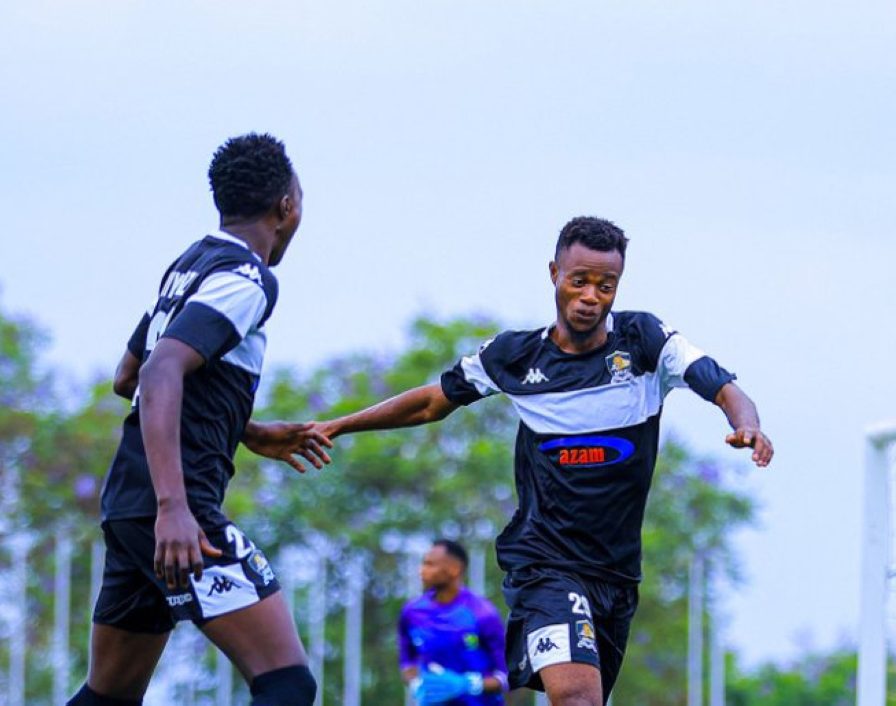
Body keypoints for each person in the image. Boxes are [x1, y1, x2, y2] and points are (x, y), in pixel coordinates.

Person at [311, 216, 774, 706]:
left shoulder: (645, 342)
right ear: (554, 273)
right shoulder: (515, 356)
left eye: (605, 286)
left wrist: (748, 423)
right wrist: (337, 425)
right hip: (545, 565)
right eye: (579, 281)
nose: (590, 296)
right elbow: (431, 402)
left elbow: (721, 385)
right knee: (576, 699)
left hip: (616, 574)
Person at [67, 133, 332, 706]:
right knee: (287, 683)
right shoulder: (246, 278)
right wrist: (174, 508)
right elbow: (159, 370)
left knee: (108, 698)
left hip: (130, 505)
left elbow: (127, 376)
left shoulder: (189, 265)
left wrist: (247, 430)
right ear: (287, 206)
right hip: (175, 513)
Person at [399, 539, 507, 706]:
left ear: (454, 569)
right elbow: (407, 662)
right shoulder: (412, 612)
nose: (422, 570)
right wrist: (416, 684)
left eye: (430, 564)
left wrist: (469, 685)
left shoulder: (483, 613)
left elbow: (507, 676)